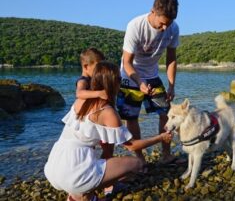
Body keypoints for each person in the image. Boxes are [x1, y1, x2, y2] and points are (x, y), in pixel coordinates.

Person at [44, 61, 172, 201]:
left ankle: (80, 194)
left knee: (105, 149)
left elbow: (102, 141)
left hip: (54, 165)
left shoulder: (80, 101)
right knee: (136, 164)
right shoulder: (107, 112)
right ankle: (85, 196)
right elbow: (132, 146)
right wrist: (160, 137)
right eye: (119, 79)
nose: (121, 82)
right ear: (114, 83)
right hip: (75, 172)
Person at [117, 0, 181, 165]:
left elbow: (171, 59)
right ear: (153, 12)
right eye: (162, 23)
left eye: (169, 23)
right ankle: (139, 158)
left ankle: (166, 154)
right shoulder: (135, 26)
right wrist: (139, 83)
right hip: (130, 77)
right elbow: (127, 63)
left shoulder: (173, 28)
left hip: (152, 76)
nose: (165, 27)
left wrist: (172, 86)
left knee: (166, 114)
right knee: (132, 118)